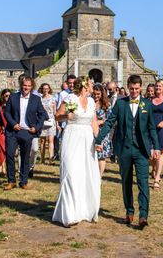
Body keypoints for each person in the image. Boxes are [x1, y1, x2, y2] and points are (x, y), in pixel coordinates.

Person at [96, 75, 160, 229]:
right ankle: (129, 211)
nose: (133, 91)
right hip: (124, 148)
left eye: (137, 89)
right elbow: (110, 122)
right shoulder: (120, 104)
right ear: (128, 87)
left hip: (141, 150)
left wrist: (156, 146)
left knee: (143, 183)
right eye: (131, 88)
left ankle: (143, 215)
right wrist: (98, 139)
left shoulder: (147, 105)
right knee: (126, 182)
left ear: (141, 88)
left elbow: (151, 127)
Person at [52, 76, 101, 227]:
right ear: (85, 85)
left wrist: (97, 141)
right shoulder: (71, 98)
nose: (93, 85)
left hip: (87, 140)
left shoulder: (92, 101)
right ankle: (69, 214)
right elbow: (57, 116)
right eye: (91, 83)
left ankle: (85, 210)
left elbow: (93, 122)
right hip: (72, 137)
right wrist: (67, 115)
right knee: (71, 172)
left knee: (87, 174)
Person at [3, 77, 48, 190]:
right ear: (21, 85)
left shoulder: (36, 99)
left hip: (27, 131)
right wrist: (13, 124)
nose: (26, 88)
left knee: (25, 157)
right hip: (13, 130)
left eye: (28, 86)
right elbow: (6, 113)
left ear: (32, 87)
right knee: (9, 154)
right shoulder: (13, 97)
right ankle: (11, 180)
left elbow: (43, 115)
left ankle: (23, 181)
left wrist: (36, 127)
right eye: (24, 85)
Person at [54, 75, 76, 161]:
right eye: (70, 83)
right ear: (67, 83)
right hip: (64, 122)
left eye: (73, 83)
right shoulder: (63, 94)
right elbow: (59, 110)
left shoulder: (78, 93)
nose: (71, 85)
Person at [93, 83, 112, 177]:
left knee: (101, 155)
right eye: (94, 94)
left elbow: (110, 119)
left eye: (98, 94)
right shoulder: (89, 102)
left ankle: (99, 176)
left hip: (103, 132)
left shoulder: (107, 104)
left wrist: (100, 122)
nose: (96, 96)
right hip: (90, 131)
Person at [39, 83, 56, 164]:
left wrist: (57, 123)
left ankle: (51, 159)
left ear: (49, 89)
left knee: (50, 140)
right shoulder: (39, 99)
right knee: (42, 141)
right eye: (44, 88)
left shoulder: (53, 99)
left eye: (47, 88)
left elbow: (55, 112)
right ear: (42, 89)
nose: (45, 90)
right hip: (42, 121)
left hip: (51, 121)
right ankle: (42, 159)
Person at [0, 89, 10, 176]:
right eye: (6, 96)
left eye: (9, 96)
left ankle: (3, 166)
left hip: (9, 127)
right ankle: (1, 165)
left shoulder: (12, 105)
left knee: (5, 147)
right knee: (0, 147)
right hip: (0, 127)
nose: (8, 98)